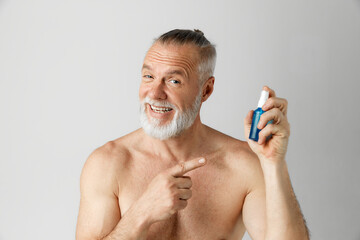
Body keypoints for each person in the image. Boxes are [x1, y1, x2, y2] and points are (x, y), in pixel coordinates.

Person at [76, 29, 309, 240]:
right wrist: (141, 213)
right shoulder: (108, 164)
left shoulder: (243, 165)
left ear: (206, 90)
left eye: (174, 81)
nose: (155, 93)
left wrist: (273, 165)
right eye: (148, 77)